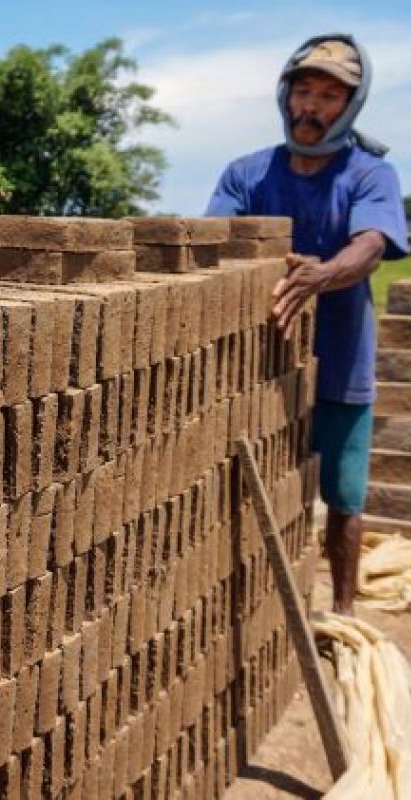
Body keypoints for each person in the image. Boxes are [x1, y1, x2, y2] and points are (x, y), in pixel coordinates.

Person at [206, 34, 408, 615]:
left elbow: (369, 247)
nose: (311, 107)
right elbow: (213, 243)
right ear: (285, 94)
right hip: (261, 365)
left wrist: (321, 275)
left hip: (342, 363)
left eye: (327, 96)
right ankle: (260, 607)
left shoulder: (370, 174)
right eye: (304, 91)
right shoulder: (248, 174)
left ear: (350, 106)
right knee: (262, 485)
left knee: (343, 498)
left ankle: (342, 616)